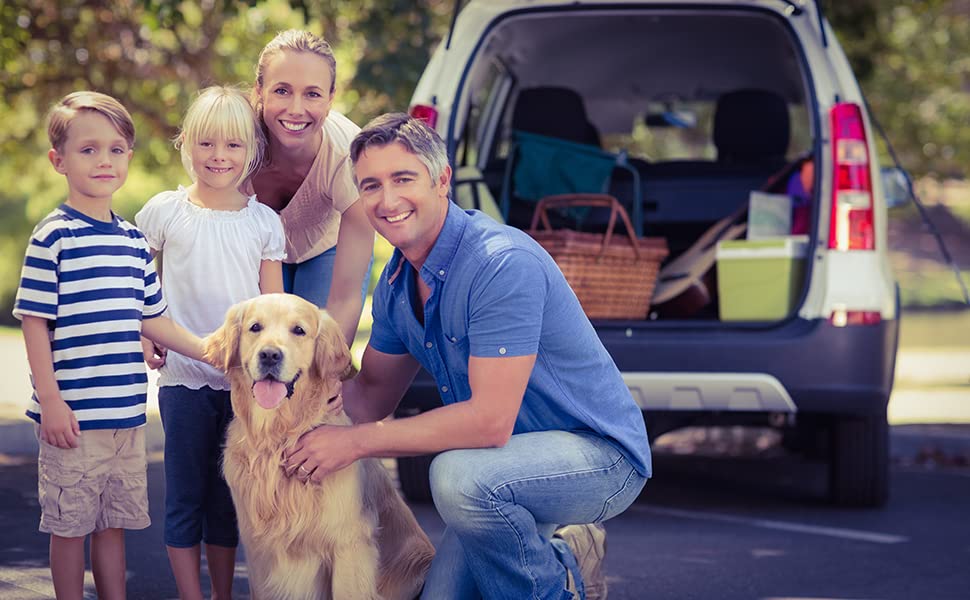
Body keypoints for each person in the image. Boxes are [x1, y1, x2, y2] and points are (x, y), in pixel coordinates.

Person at [283, 113, 652, 600]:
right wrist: (283, 409)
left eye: (403, 179)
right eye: (370, 185)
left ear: (441, 180)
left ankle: (557, 588)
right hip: (500, 467)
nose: (387, 200)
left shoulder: (501, 264)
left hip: (597, 458)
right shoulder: (396, 284)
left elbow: (488, 422)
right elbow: (369, 395)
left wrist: (353, 444)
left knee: (456, 477)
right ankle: (566, 554)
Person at [13, 91, 207, 600]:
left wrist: (211, 349)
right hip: (72, 422)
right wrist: (51, 401)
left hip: (126, 417)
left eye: (116, 149)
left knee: (112, 523)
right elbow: (35, 323)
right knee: (70, 524)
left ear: (129, 157)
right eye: (88, 149)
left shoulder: (131, 240)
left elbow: (155, 318)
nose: (105, 160)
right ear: (59, 161)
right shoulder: (53, 237)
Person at [134, 86, 285, 600]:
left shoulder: (263, 222)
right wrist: (142, 333)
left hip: (244, 389)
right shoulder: (163, 212)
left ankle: (223, 594)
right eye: (207, 144)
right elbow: (141, 286)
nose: (219, 157)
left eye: (233, 146)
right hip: (182, 380)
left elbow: (275, 309)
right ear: (186, 145)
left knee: (227, 502)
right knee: (185, 498)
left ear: (252, 152)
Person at [247, 29, 374, 344]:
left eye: (313, 94)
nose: (296, 108)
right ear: (258, 91)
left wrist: (326, 374)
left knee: (310, 350)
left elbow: (344, 298)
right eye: (282, 91)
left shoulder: (348, 155)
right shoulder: (231, 144)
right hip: (253, 247)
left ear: (331, 99)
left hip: (325, 248)